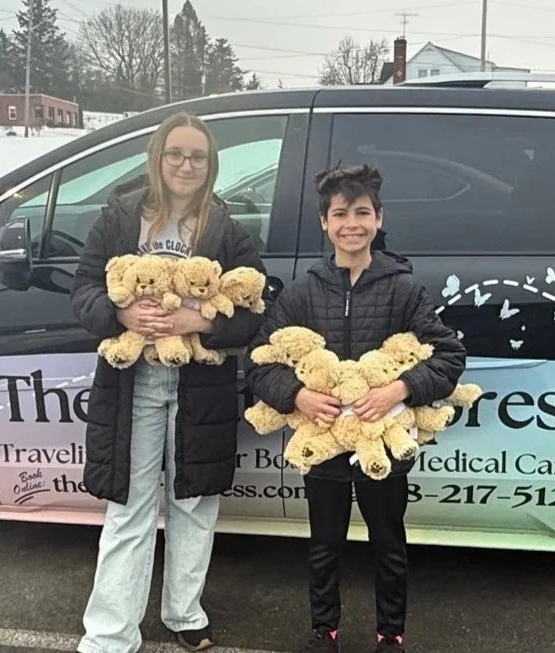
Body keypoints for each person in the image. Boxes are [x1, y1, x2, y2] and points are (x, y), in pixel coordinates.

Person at [245, 163, 467, 653]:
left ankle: (391, 634)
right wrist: (297, 395)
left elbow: (449, 356)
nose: (352, 224)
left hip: (381, 445)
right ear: (324, 222)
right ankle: (324, 631)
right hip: (322, 444)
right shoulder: (302, 292)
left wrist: (400, 389)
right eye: (340, 214)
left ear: (379, 219)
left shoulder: (404, 289)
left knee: (388, 543)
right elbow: (259, 361)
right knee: (324, 546)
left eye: (362, 213)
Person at [70, 111, 267, 653]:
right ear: (157, 157)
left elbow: (254, 312)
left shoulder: (226, 228)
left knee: (195, 504)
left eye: (197, 156)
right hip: (130, 384)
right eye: (175, 154)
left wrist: (198, 321)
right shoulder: (119, 218)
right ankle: (110, 634)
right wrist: (120, 315)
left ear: (211, 165)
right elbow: (83, 289)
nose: (185, 165)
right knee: (128, 509)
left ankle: (185, 612)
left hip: (199, 387)